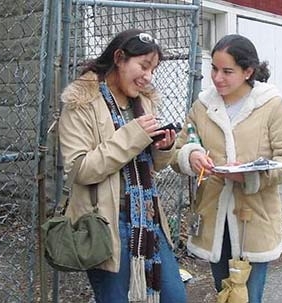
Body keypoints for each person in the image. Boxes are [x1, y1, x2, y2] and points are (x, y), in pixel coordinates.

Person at [58, 28, 187, 303]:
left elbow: (152, 165)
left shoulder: (144, 101)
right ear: (119, 58)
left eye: (153, 69)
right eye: (143, 65)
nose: (148, 76)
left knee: (175, 297)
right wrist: (134, 136)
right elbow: (80, 169)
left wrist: (163, 148)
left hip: (148, 217)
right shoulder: (80, 102)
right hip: (104, 222)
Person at [172, 34, 282, 302]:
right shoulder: (202, 106)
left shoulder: (270, 105)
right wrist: (191, 155)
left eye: (227, 71)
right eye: (214, 69)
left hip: (254, 217)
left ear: (248, 71)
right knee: (224, 293)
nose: (217, 78)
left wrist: (252, 176)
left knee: (248, 297)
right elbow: (178, 150)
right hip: (213, 215)